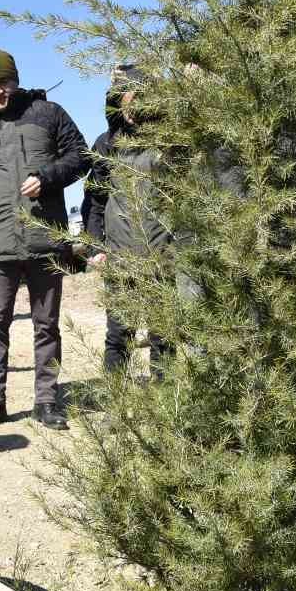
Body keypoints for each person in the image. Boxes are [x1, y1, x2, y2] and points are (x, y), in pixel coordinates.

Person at [0, 49, 90, 431]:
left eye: (3, 83)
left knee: (46, 323)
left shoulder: (48, 114)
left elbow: (81, 156)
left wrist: (48, 176)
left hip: (45, 239)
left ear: (15, 79)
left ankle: (47, 401)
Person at [83, 64, 173, 376]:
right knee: (119, 336)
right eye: (127, 99)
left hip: (165, 258)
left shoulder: (169, 144)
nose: (133, 108)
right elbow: (94, 202)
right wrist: (96, 248)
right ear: (117, 101)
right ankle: (116, 406)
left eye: (142, 100)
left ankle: (166, 408)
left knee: (165, 337)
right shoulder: (105, 145)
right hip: (120, 259)